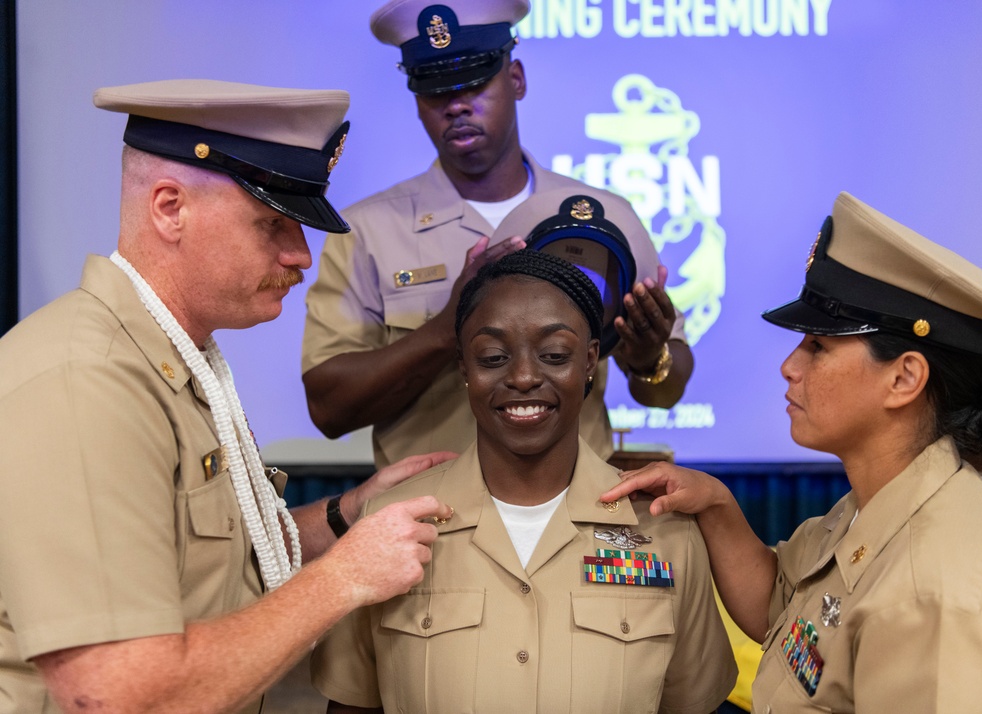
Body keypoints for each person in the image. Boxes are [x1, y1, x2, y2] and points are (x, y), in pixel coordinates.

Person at [0, 79, 454, 714]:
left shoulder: (171, 357)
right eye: (273, 223)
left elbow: (219, 567)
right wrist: (345, 577)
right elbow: (117, 694)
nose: (301, 255)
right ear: (169, 208)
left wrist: (347, 515)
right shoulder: (87, 381)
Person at [601, 192, 982, 712]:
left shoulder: (932, 592)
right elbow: (784, 611)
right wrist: (717, 502)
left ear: (904, 378)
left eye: (818, 346)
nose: (789, 366)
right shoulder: (881, 502)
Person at [310, 249, 736, 713]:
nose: (524, 376)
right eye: (493, 356)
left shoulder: (664, 531)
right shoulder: (388, 523)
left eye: (554, 354)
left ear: (590, 360)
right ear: (463, 367)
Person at [301, 0, 693, 470]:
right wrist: (445, 331)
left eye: (475, 80)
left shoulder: (604, 217)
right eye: (434, 90)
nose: (457, 105)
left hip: (577, 512)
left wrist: (650, 358)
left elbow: (667, 393)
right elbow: (329, 409)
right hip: (430, 519)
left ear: (516, 79)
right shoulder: (367, 230)